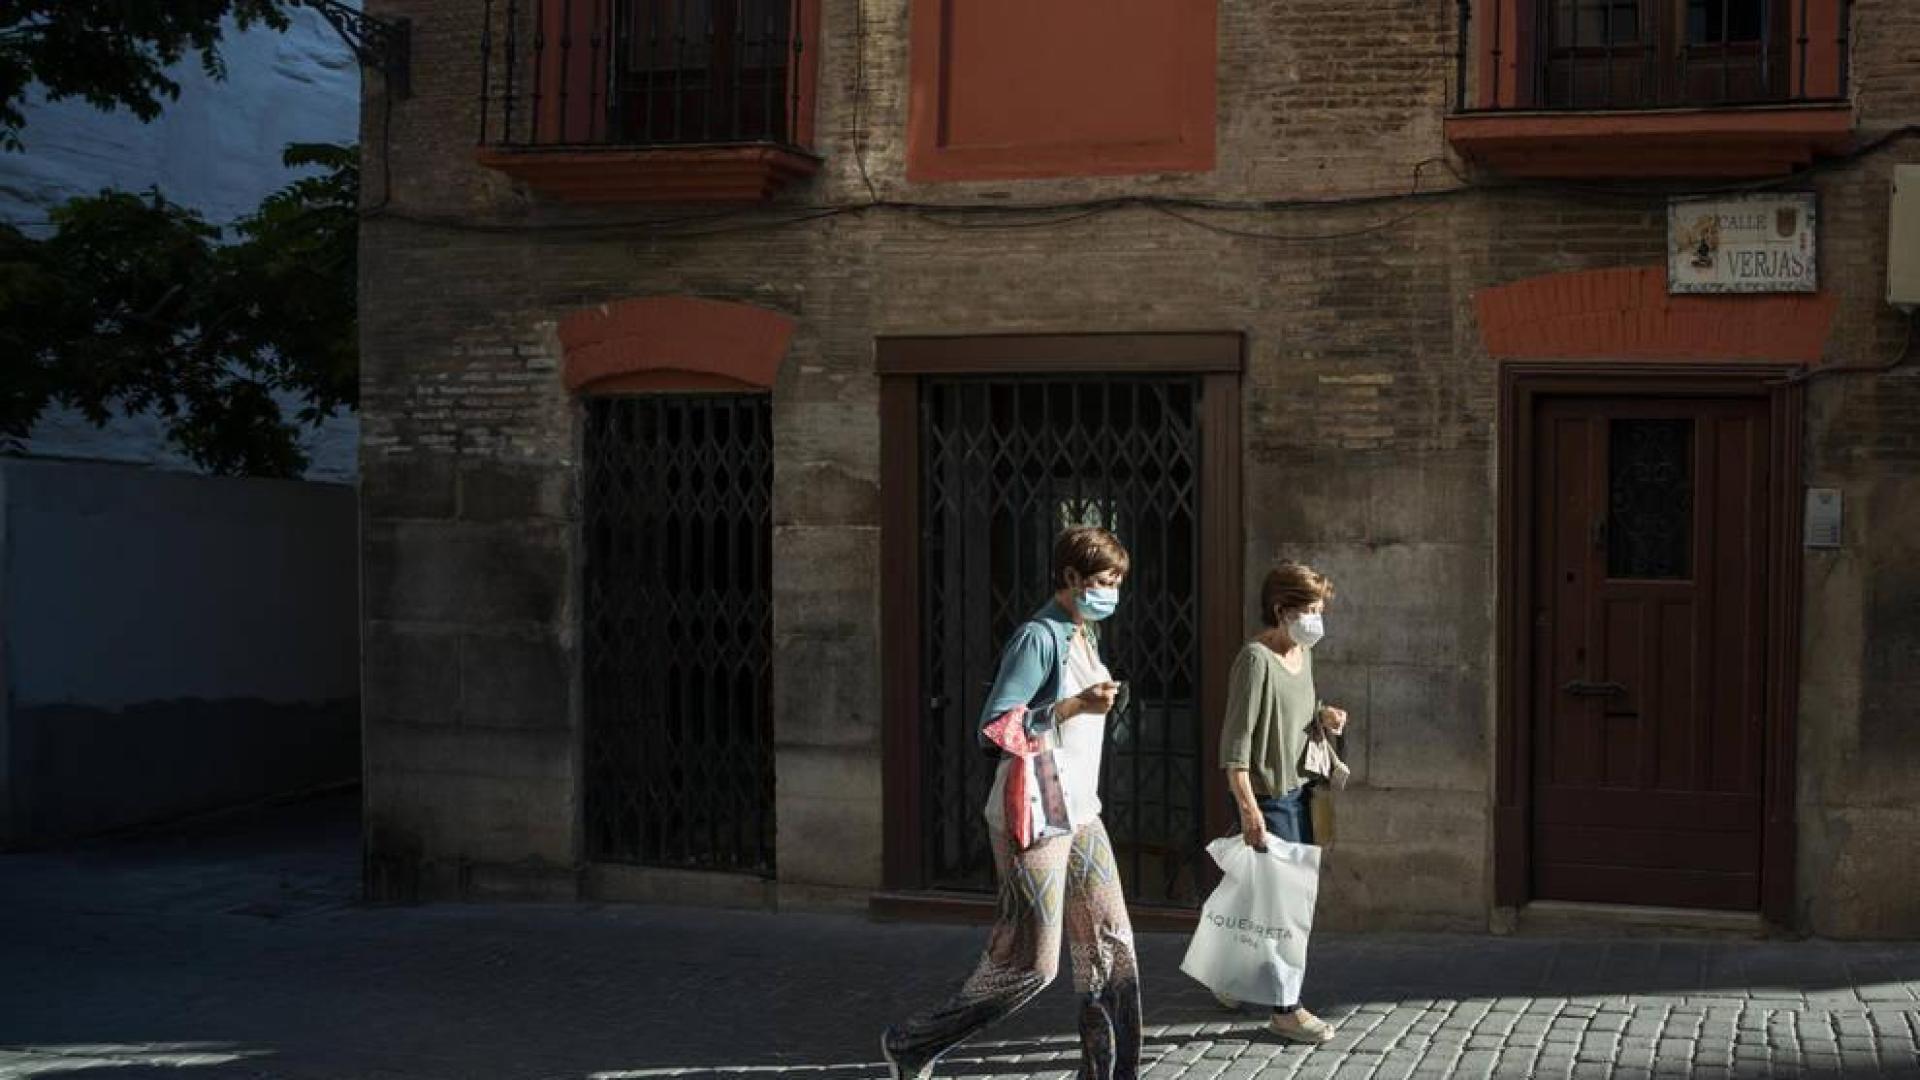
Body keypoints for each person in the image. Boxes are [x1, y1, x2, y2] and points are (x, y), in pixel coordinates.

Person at [882, 526, 1141, 1080]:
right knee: (1030, 963)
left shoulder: (1084, 633)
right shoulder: (1038, 637)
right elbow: (995, 727)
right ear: (1070, 578)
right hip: (1037, 811)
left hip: (1081, 809)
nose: (1110, 592)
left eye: (1117, 581)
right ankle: (910, 1043)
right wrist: (1074, 706)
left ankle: (1109, 1074)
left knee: (1110, 942)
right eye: (1101, 581)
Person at [1217, 559, 1349, 1045]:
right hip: (1268, 799)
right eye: (1309, 609)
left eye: (1319, 609)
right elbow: (1236, 744)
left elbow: (1296, 709)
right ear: (1281, 609)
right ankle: (1286, 1011)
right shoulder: (1255, 660)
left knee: (1262, 897)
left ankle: (1227, 974)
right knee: (1288, 908)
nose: (1317, 619)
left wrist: (1324, 717)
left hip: (1301, 792)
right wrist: (1249, 810)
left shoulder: (1302, 654)